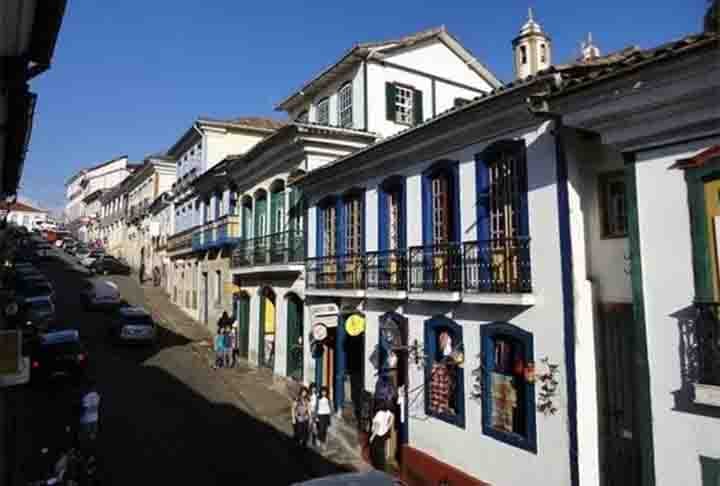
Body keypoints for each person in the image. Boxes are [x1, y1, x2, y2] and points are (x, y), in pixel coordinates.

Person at [77, 378, 101, 452]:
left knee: (84, 437)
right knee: (92, 436)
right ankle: (92, 450)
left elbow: (84, 409)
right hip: (95, 419)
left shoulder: (86, 397)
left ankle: (82, 451)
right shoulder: (97, 396)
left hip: (86, 420)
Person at [369, 401, 394, 472]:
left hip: (377, 435)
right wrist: (386, 428)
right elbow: (390, 422)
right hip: (383, 435)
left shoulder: (379, 413)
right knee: (381, 452)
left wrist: (372, 437)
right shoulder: (390, 413)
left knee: (375, 453)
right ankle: (382, 469)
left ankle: (377, 468)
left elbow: (377, 426)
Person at [316, 386, 333, 451]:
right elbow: (317, 408)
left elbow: (330, 407)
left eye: (325, 391)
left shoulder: (328, 399)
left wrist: (330, 415)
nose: (324, 393)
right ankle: (321, 440)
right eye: (323, 391)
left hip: (327, 415)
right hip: (320, 415)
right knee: (321, 429)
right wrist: (316, 416)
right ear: (321, 392)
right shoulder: (319, 399)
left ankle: (322, 441)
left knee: (325, 430)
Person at [308, 383, 318, 447]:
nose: (313, 389)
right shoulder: (309, 396)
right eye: (312, 388)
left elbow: (317, 405)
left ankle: (314, 440)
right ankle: (308, 438)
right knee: (309, 426)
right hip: (310, 412)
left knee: (314, 426)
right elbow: (308, 404)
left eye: (314, 388)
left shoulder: (317, 395)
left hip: (315, 412)